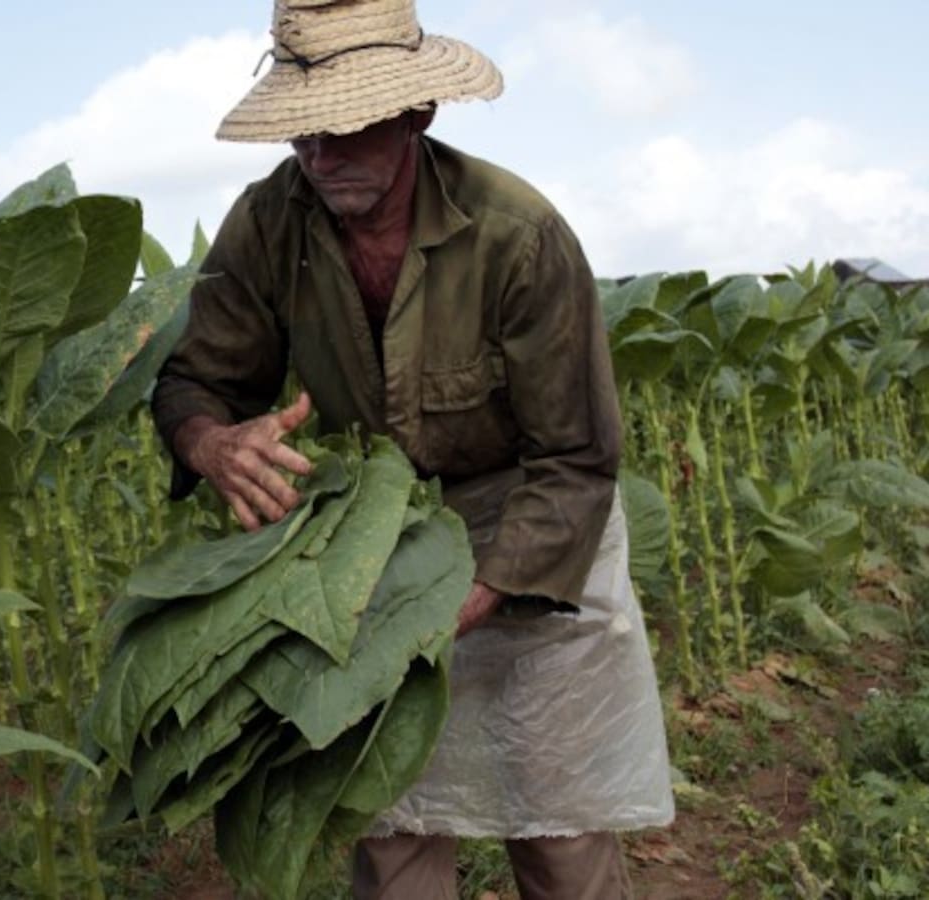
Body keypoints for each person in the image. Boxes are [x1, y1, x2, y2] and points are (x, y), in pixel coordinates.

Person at [151, 1, 674, 897]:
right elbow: (195, 383)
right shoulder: (269, 222)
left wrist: (461, 604)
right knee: (393, 825)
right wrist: (212, 443)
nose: (319, 153)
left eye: (347, 124)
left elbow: (577, 460)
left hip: (534, 537)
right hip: (380, 543)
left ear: (417, 113)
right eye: (302, 129)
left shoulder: (517, 235)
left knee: (555, 824)